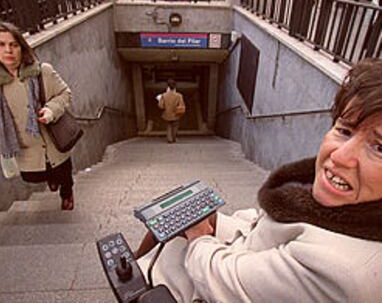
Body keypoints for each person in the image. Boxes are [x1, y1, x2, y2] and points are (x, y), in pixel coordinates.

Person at [136, 58, 382, 302]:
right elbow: (276, 233)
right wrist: (215, 221)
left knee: (174, 231)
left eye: (379, 148)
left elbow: (224, 281)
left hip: (208, 281)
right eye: (344, 131)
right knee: (175, 214)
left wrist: (200, 236)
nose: (340, 156)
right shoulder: (347, 205)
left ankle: (133, 281)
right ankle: (133, 268)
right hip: (245, 250)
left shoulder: (341, 272)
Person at [0, 21, 75, 210]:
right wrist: (1, 150)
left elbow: (65, 93)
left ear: (22, 47)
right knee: (34, 176)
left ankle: (67, 192)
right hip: (23, 146)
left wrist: (51, 110)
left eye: (13, 45)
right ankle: (51, 178)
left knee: (63, 173)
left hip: (52, 141)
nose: (8, 51)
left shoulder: (42, 71)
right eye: (1, 44)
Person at [158, 78, 185, 143]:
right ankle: (174, 138)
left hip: (167, 114)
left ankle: (169, 139)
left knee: (168, 126)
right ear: (175, 86)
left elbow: (160, 106)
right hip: (176, 114)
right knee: (175, 126)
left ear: (168, 86)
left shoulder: (164, 95)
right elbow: (181, 105)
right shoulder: (179, 95)